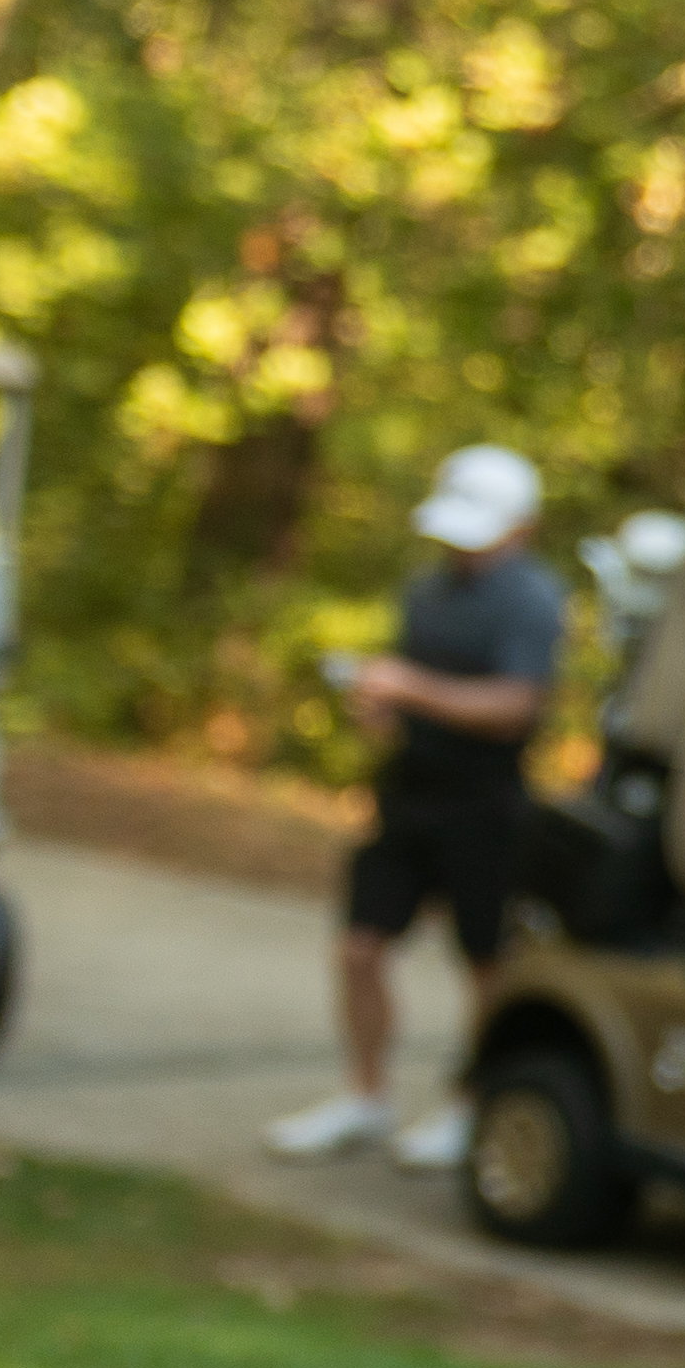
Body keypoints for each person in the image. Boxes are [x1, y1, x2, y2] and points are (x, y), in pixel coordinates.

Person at [270, 441, 560, 1170]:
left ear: (521, 527)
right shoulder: (425, 591)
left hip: (486, 807)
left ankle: (470, 1104)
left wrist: (412, 690)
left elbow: (517, 707)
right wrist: (381, 706)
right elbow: (411, 687)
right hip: (408, 796)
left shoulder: (532, 599)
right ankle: (366, 1098)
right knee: (359, 948)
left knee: (486, 965)